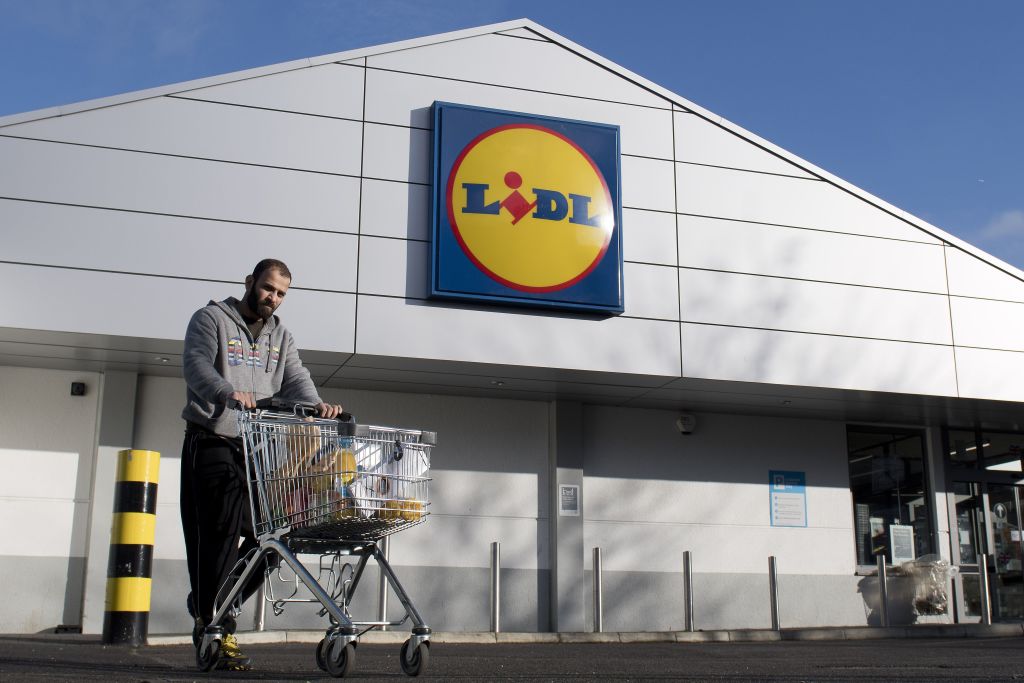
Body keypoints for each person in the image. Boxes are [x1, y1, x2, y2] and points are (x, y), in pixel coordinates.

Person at [179, 258, 342, 671]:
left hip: (256, 450)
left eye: (282, 293)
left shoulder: (280, 335)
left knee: (274, 540)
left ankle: (210, 603)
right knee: (218, 536)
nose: (273, 298)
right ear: (251, 282)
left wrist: (317, 405)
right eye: (269, 288)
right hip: (213, 440)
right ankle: (214, 627)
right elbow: (196, 364)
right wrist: (226, 390)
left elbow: (296, 377)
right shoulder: (211, 318)